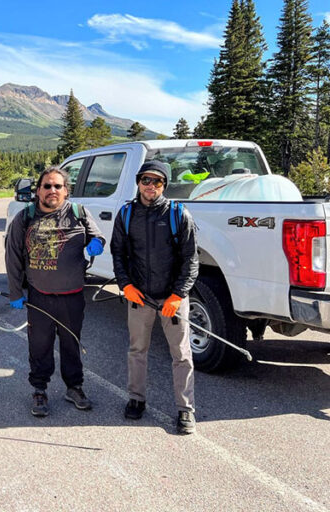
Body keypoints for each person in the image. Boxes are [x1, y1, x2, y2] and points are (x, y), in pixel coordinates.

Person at [5, 166, 105, 417]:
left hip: (72, 296)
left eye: (57, 186)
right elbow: (13, 257)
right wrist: (16, 292)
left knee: (71, 344)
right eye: (47, 186)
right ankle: (39, 390)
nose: (52, 190)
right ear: (38, 190)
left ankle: (74, 388)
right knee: (40, 346)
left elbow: (97, 235)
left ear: (66, 191)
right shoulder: (25, 217)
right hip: (40, 297)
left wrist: (97, 243)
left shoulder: (78, 213)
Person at [110, 160, 199, 435]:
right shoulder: (126, 214)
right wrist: (125, 285)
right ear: (138, 182)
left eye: (157, 181)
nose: (151, 186)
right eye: (146, 180)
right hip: (139, 297)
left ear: (164, 186)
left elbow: (190, 259)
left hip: (172, 298)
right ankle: (136, 399)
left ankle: (185, 410)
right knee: (137, 351)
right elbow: (118, 254)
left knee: (182, 355)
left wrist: (178, 295)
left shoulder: (178, 214)